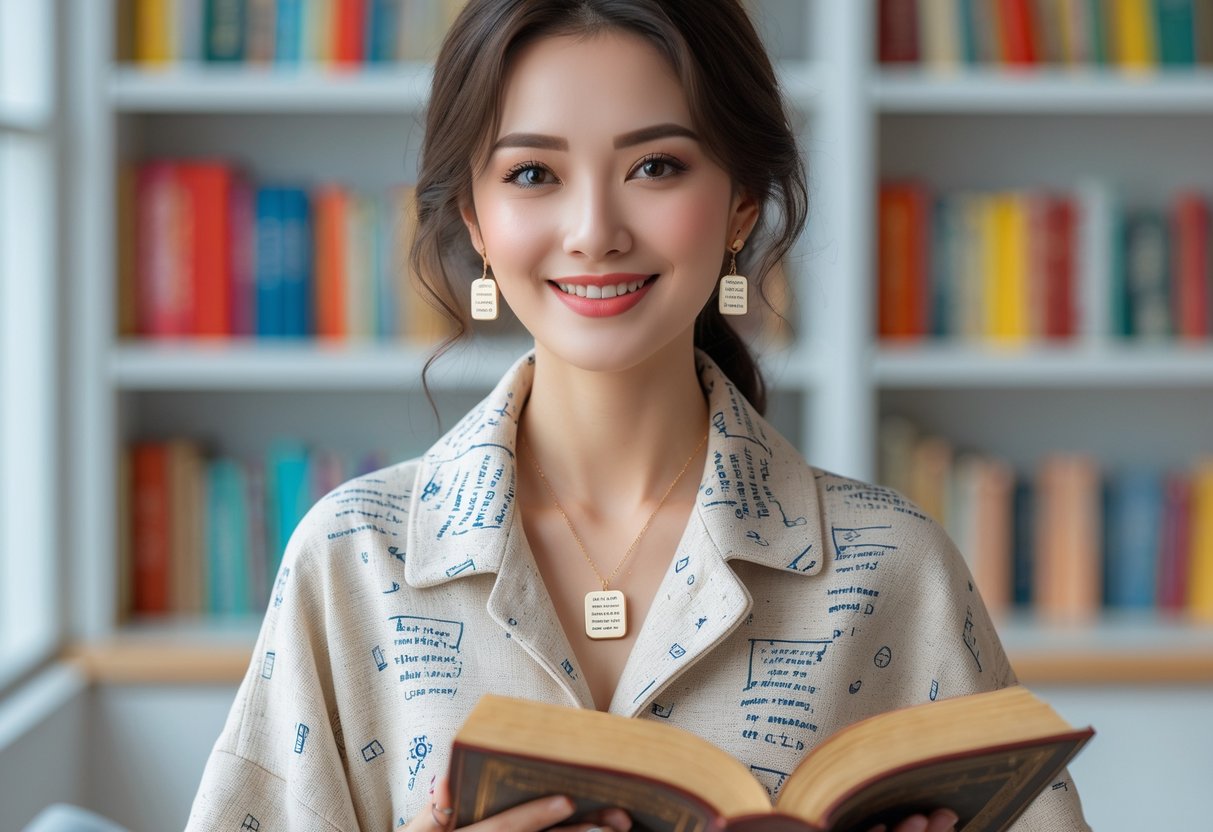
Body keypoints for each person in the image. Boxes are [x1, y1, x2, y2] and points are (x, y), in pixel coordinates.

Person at [186, 2, 1091, 831]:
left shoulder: (895, 567)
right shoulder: (351, 562)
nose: (593, 229)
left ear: (740, 201)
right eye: (533, 172)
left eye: (655, 165)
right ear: (474, 211)